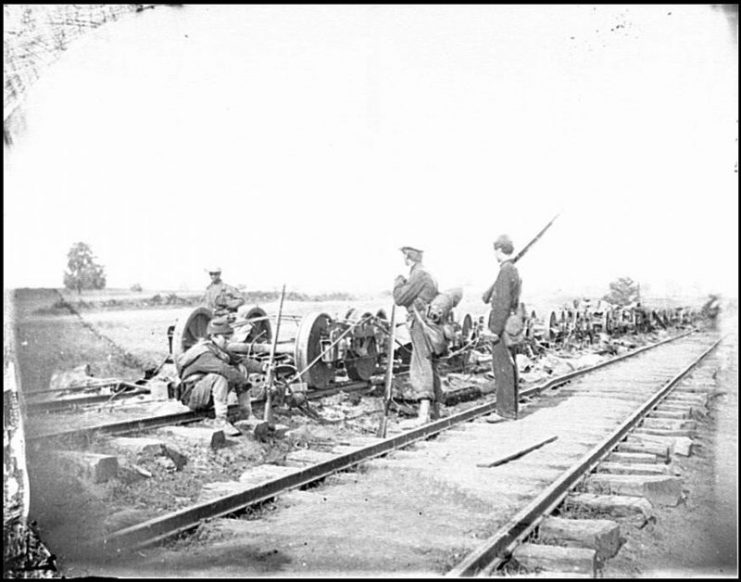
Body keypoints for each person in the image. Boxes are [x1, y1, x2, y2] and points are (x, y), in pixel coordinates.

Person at [175, 317, 265, 429]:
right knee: (219, 377)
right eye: (225, 338)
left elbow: (241, 360)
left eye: (229, 338)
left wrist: (263, 367)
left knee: (240, 368)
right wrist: (244, 382)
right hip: (192, 396)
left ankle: (246, 414)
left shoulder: (218, 349)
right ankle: (220, 419)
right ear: (213, 337)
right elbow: (223, 368)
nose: (228, 342)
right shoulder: (204, 353)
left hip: (205, 395)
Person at [393, 245, 441, 428]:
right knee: (429, 362)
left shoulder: (418, 275)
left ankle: (423, 415)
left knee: (421, 362)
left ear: (408, 256)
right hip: (428, 323)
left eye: (404, 255)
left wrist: (398, 281)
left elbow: (400, 298)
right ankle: (434, 411)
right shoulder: (427, 273)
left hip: (420, 324)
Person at [481, 234, 522, 420]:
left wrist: (494, 330)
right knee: (509, 366)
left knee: (502, 368)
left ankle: (505, 411)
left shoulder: (505, 271)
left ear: (498, 250)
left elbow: (502, 303)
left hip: (502, 326)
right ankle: (509, 409)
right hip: (510, 324)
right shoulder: (512, 269)